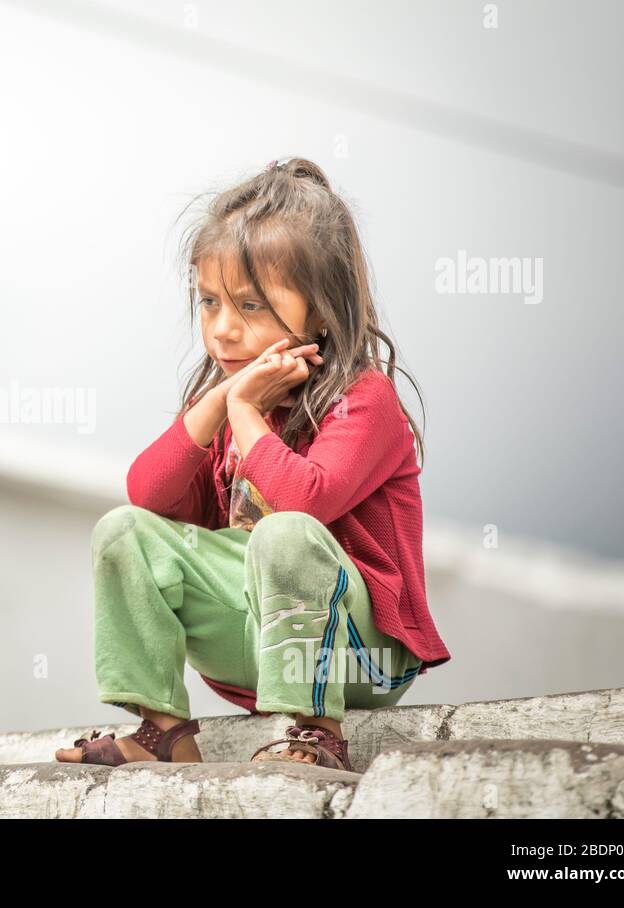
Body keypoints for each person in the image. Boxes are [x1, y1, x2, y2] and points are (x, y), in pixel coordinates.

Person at [55, 157, 451, 772]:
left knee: (285, 532)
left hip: (361, 658)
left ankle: (316, 735)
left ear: (320, 311)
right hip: (257, 648)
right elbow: (147, 493)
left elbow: (303, 504)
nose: (222, 331)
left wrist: (243, 410)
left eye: (251, 306)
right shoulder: (228, 405)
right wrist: (221, 401)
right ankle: (163, 731)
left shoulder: (363, 399)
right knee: (122, 529)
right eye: (209, 303)